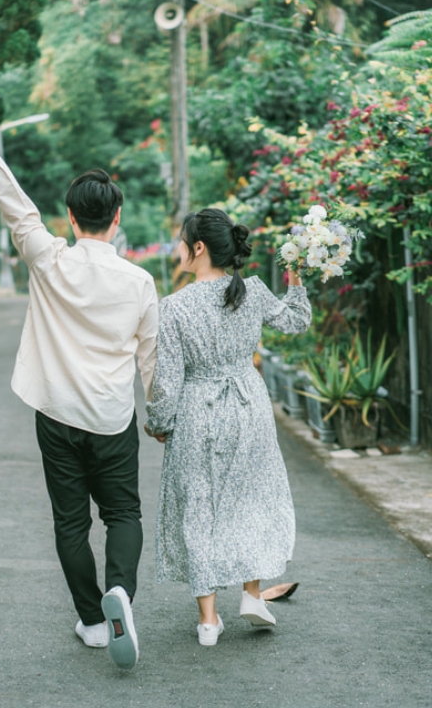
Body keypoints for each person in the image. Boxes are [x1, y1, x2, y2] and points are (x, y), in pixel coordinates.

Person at [0, 87, 158, 671]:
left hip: (57, 417)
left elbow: (12, 200)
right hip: (112, 418)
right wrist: (159, 417)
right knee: (124, 515)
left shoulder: (47, 258)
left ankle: (91, 619)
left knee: (69, 522)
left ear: (69, 217)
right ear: (116, 218)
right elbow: (150, 360)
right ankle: (121, 594)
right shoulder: (139, 283)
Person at [144, 208, 310, 647]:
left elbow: (168, 380)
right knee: (250, 496)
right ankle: (253, 594)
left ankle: (208, 620)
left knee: (199, 507)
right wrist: (295, 279)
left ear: (198, 248)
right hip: (248, 405)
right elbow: (296, 321)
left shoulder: (175, 306)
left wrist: (158, 422)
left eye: (182, 241)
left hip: (199, 411)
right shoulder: (251, 292)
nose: (179, 248)